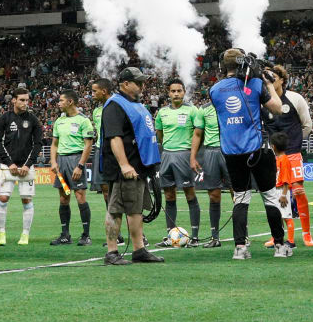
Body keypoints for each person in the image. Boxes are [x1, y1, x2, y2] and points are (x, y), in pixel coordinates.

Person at [208, 48, 290, 260]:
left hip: (231, 152)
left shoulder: (215, 90)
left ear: (223, 66)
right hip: (257, 149)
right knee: (270, 196)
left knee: (241, 199)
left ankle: (240, 248)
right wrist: (269, 83)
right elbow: (278, 108)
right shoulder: (255, 85)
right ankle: (280, 246)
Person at [98, 67, 164, 266]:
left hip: (139, 166)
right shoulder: (115, 106)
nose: (143, 86)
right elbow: (114, 137)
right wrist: (124, 165)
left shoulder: (134, 104)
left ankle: (139, 250)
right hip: (123, 169)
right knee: (116, 209)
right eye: (138, 82)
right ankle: (112, 252)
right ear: (125, 84)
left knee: (135, 210)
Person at [267, 64, 313, 242]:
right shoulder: (263, 102)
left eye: (273, 77)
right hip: (273, 156)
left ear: (281, 79)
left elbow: (307, 124)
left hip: (293, 153)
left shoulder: (295, 98)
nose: (270, 81)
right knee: (275, 195)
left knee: (298, 191)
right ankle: (277, 236)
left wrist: (295, 142)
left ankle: (306, 233)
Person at [0, 86, 42, 246]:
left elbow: (38, 143)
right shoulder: (5, 118)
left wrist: (28, 164)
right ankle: (1, 233)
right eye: (22, 100)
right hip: (8, 166)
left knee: (26, 200)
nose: (25, 103)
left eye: (27, 100)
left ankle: (25, 234)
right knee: (3, 198)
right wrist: (9, 163)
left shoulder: (33, 119)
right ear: (13, 100)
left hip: (26, 167)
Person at [155, 79, 202, 245]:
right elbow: (160, 134)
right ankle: (170, 237)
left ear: (184, 92)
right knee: (169, 195)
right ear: (168, 93)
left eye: (179, 91)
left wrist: (192, 155)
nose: (176, 94)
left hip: (184, 155)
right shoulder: (162, 112)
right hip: (167, 155)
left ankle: (195, 236)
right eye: (173, 91)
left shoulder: (193, 110)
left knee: (190, 193)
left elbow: (198, 134)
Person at [49, 89, 95, 246]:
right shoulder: (59, 121)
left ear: (70, 102)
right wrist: (54, 162)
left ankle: (86, 235)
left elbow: (88, 145)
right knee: (64, 197)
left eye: (61, 100)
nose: (59, 103)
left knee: (80, 196)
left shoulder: (83, 120)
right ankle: (65, 235)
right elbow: (54, 144)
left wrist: (80, 166)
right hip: (61, 162)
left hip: (76, 160)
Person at [189, 92, 229, 247]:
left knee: (237, 194)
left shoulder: (232, 107)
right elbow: (197, 134)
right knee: (214, 196)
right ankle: (215, 238)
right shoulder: (203, 110)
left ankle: (243, 237)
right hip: (211, 152)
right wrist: (193, 157)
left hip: (230, 151)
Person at [270, 133, 301, 247]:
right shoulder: (277, 159)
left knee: (287, 217)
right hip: (276, 190)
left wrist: (283, 194)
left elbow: (287, 180)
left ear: (273, 146)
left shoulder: (285, 160)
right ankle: (278, 239)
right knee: (278, 217)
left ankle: (291, 241)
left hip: (283, 191)